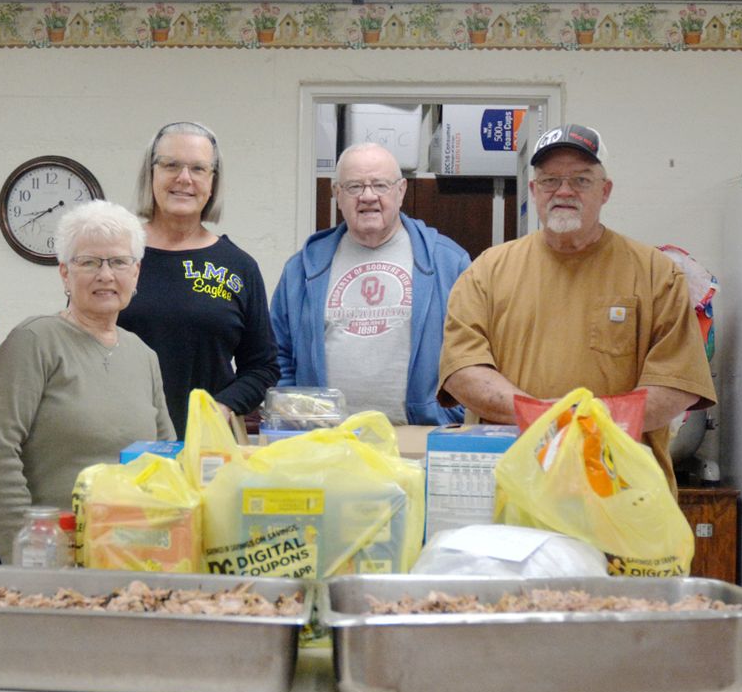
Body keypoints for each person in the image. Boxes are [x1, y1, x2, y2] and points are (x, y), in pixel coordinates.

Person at [437, 123, 716, 493]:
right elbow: (463, 371)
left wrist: (580, 422)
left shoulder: (655, 273)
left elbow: (676, 386)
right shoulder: (487, 271)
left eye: (581, 180)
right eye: (551, 180)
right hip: (517, 488)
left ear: (606, 191)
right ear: (535, 191)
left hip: (620, 490)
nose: (564, 191)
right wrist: (543, 414)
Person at [0, 200, 175, 564]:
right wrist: (26, 549)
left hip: (121, 549)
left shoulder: (144, 356)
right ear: (64, 273)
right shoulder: (34, 341)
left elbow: (164, 456)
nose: (105, 274)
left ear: (136, 272)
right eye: (89, 262)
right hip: (43, 550)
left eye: (118, 262)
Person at [270, 142, 470, 425]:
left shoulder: (448, 262)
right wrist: (299, 415)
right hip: (325, 442)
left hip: (418, 437)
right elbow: (278, 355)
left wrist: (449, 415)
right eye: (354, 187)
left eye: (380, 185)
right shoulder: (301, 269)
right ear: (336, 194)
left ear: (401, 191)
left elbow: (473, 353)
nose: (367, 196)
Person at [118, 121, 278, 434]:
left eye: (198, 168)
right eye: (170, 165)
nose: (184, 178)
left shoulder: (238, 266)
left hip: (207, 446)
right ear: (151, 173)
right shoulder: (116, 254)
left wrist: (224, 406)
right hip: (123, 439)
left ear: (213, 182)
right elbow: (81, 341)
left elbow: (263, 366)